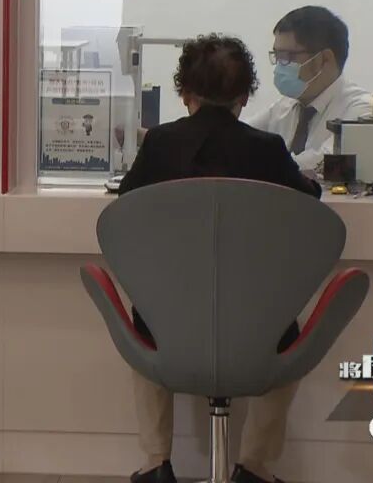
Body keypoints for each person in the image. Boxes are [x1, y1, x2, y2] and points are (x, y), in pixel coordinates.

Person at [119, 34, 320, 483]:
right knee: (290, 337)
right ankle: (255, 467)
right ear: (245, 96)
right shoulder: (268, 149)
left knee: (143, 323)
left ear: (184, 93)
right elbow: (307, 201)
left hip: (167, 321)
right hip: (256, 322)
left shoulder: (159, 144)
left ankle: (155, 463)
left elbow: (127, 203)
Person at [245, 5, 373, 174]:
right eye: (277, 55)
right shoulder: (285, 107)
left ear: (325, 59)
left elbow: (325, 162)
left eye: (288, 56)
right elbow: (237, 136)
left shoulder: (362, 111)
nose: (280, 66)